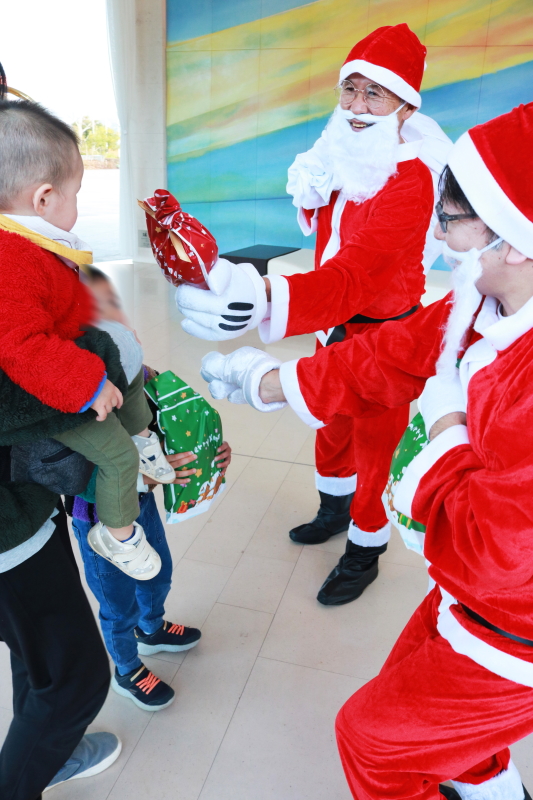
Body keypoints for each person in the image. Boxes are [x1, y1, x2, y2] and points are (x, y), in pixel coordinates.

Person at [200, 103, 533, 799]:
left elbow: (505, 547)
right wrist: (269, 380)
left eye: (449, 220)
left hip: (515, 628)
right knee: (438, 727)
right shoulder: (479, 301)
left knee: (372, 740)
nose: (438, 235)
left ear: (511, 239)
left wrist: (443, 427)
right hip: (468, 599)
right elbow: (390, 353)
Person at [175, 23, 452, 606]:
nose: (356, 107)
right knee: (331, 428)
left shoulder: (412, 182)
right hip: (334, 330)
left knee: (376, 450)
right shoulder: (341, 156)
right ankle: (332, 507)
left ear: (405, 105)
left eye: (374, 95)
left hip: (386, 341)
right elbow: (328, 242)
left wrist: (264, 296)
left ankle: (365, 546)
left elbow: (356, 277)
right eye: (349, 91)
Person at [0, 98, 177, 583]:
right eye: (75, 194)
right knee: (115, 456)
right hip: (59, 394)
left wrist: (117, 339)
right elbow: (22, 346)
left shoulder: (33, 242)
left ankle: (143, 442)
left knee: (134, 386)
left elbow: (71, 303)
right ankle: (117, 535)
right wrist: (88, 383)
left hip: (79, 366)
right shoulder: (11, 259)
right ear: (43, 198)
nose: (78, 208)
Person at [66, 267, 232, 711]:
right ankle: (126, 667)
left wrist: (209, 451)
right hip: (99, 517)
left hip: (142, 504)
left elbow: (182, 426)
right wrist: (147, 469)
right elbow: (83, 465)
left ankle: (151, 626)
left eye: (116, 310)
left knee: (159, 571)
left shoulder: (139, 374)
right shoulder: (70, 398)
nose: (120, 324)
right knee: (115, 600)